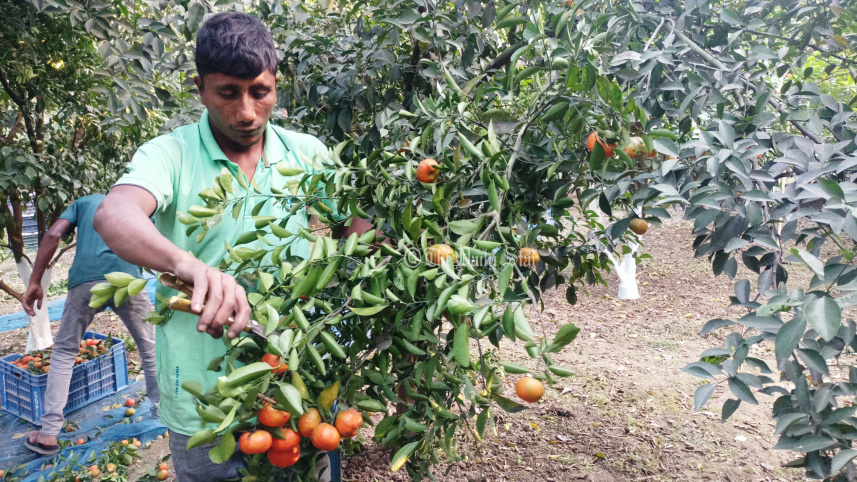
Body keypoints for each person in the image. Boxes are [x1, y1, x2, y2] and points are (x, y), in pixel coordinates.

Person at [93, 12, 364, 481]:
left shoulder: (307, 155)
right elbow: (114, 214)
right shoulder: (169, 155)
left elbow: (356, 228)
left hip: (297, 390)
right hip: (205, 400)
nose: (245, 112)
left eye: (259, 92)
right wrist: (189, 265)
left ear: (276, 85)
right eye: (227, 93)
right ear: (199, 88)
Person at [22, 194, 159, 456]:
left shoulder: (84, 203)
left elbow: (53, 235)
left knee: (64, 352)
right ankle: (164, 413)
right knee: (151, 349)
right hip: (126, 281)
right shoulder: (137, 201)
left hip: (84, 282)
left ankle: (49, 433)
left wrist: (35, 281)